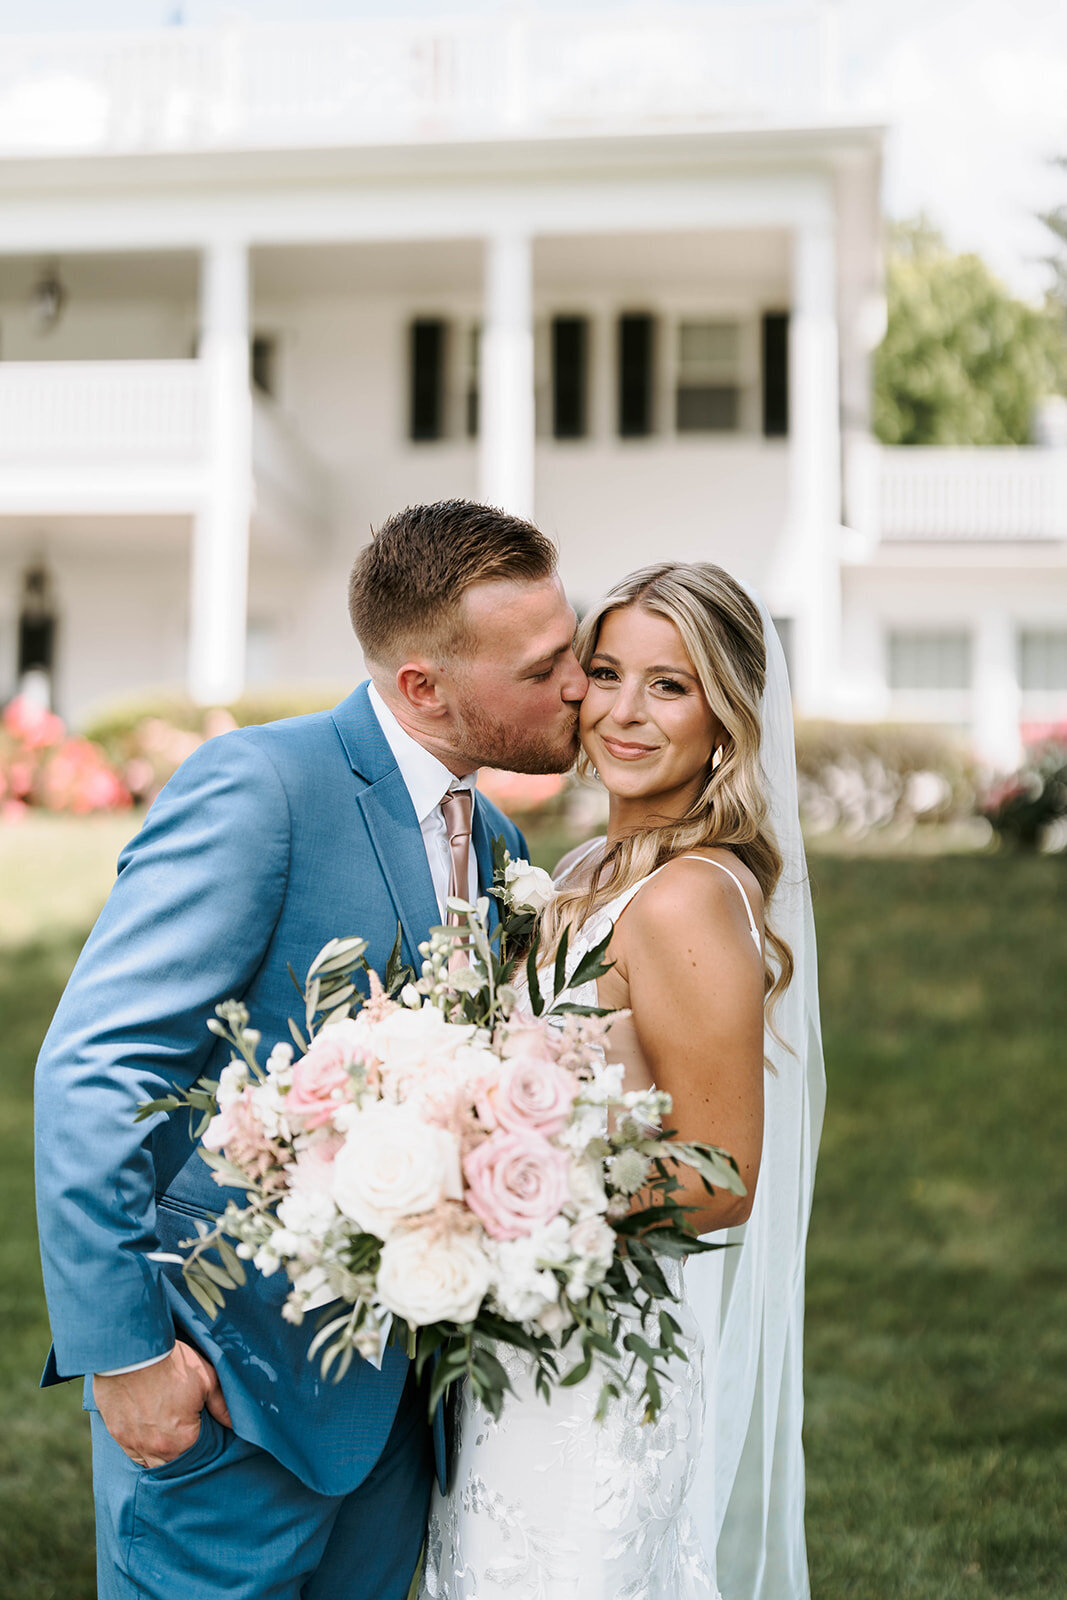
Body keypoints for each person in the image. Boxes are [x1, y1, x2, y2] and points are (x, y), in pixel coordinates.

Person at [34, 500, 587, 1600]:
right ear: (422, 685)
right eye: (543, 668)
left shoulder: (497, 840)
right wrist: (128, 1356)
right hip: (228, 1397)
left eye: (569, 648)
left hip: (399, 1415)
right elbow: (96, 1067)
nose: (579, 683)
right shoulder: (262, 788)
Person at [422, 561, 825, 1600]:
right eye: (605, 673)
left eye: (669, 685)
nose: (623, 712)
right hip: (515, 1339)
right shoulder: (581, 872)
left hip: (597, 1363)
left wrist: (504, 1212)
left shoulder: (688, 897)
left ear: (725, 716)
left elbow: (721, 1172)